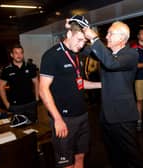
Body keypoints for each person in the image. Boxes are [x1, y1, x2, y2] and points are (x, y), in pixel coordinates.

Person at [39, 15, 101, 168]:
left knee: (80, 157)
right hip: (64, 119)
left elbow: (79, 83)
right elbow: (43, 89)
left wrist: (102, 85)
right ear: (68, 34)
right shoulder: (51, 55)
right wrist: (58, 119)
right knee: (66, 163)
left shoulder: (76, 54)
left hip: (82, 115)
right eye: (79, 40)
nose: (81, 45)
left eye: (84, 41)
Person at [83, 21, 143, 168]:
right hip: (107, 115)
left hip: (123, 116)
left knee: (133, 156)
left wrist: (94, 38)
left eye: (111, 33)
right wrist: (78, 35)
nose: (107, 36)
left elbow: (112, 64)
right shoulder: (108, 53)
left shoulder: (131, 54)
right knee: (113, 154)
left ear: (122, 38)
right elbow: (84, 51)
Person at [0, 44, 39, 123]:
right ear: (12, 55)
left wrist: (37, 97)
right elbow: (1, 87)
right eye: (16, 53)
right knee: (18, 129)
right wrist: (6, 103)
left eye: (21, 53)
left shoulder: (30, 67)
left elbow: (36, 82)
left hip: (30, 103)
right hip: (15, 106)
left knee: (34, 127)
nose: (19, 55)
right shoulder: (6, 70)